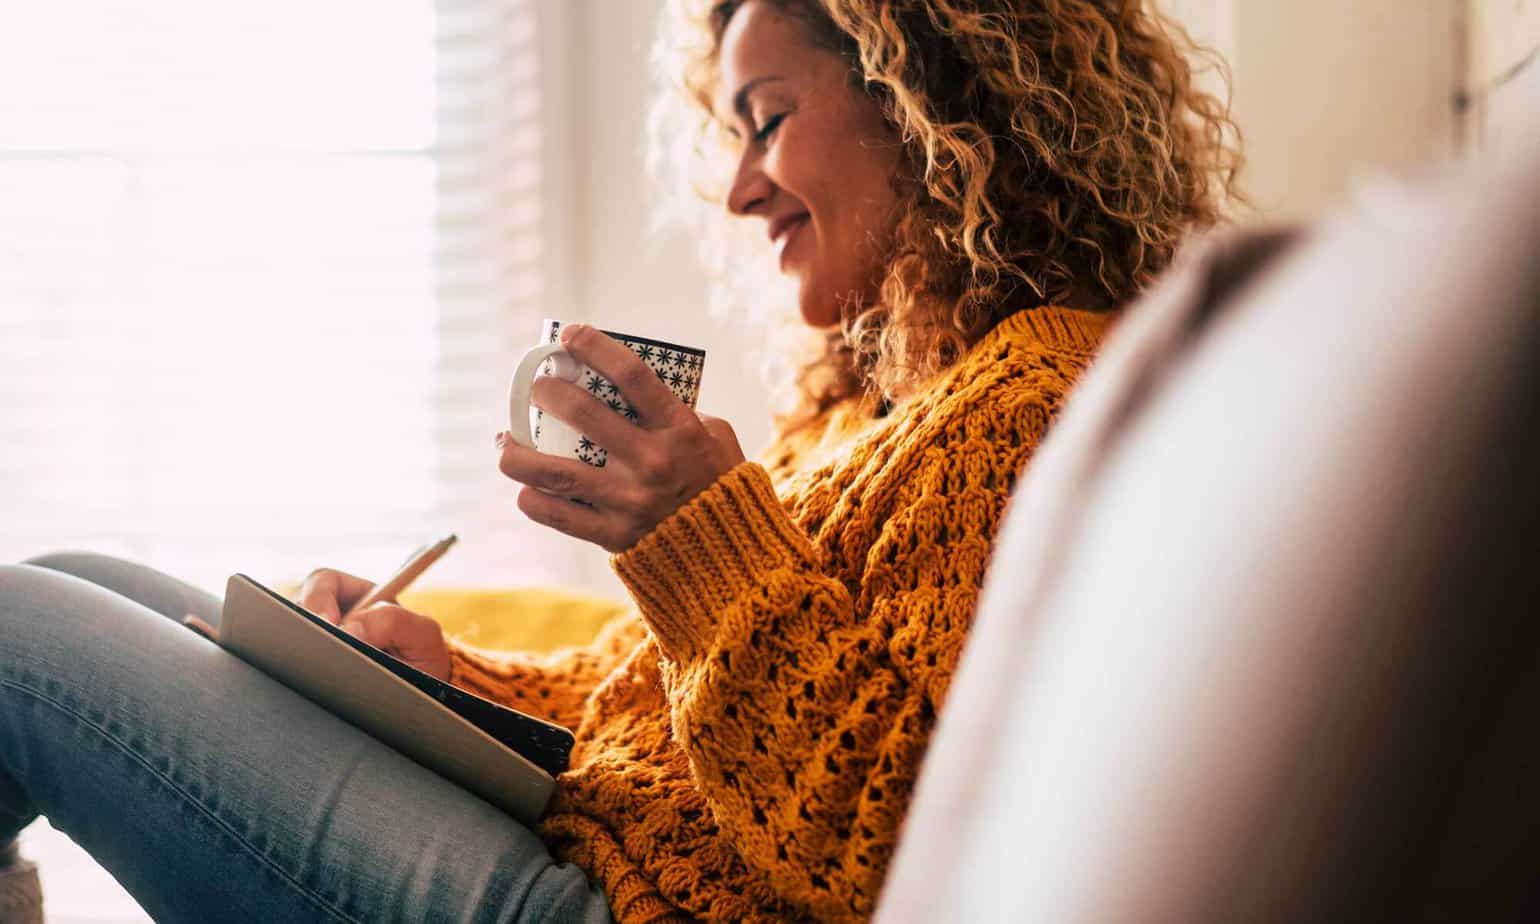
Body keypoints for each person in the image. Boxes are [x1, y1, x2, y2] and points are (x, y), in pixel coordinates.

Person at [0, 0, 1240, 921]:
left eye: (768, 121)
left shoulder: (1032, 401)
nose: (743, 191)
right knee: (79, 576)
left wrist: (698, 542)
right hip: (607, 848)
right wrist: (440, 683)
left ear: (930, 102)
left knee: (18, 635)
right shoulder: (882, 404)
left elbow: (901, 851)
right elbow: (644, 716)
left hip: (629, 909)